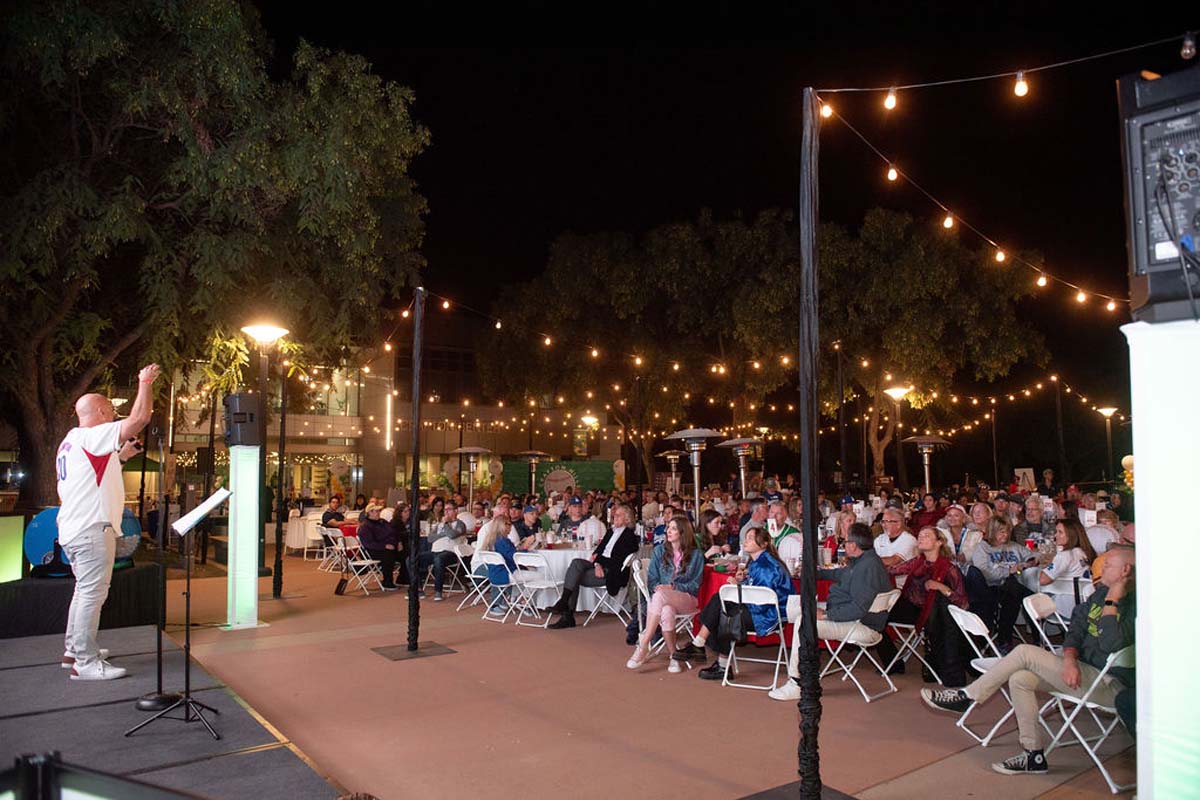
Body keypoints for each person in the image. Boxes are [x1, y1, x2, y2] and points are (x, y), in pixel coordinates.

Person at [922, 546, 1136, 776]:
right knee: (1020, 678)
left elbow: (1111, 643)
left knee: (1023, 652)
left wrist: (1113, 602)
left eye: (1108, 565)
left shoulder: (1135, 604)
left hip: (1110, 683)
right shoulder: (1100, 594)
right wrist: (1070, 659)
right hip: (1082, 671)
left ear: (1125, 570)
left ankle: (967, 696)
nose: (1101, 567)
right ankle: (1033, 755)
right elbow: (1075, 629)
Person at [57, 363, 161, 680]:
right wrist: (145, 382)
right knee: (92, 594)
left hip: (75, 529)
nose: (114, 416)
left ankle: (74, 650)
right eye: (111, 410)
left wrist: (123, 455)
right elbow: (140, 418)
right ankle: (85, 663)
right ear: (102, 411)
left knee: (83, 592)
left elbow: (97, 472)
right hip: (90, 530)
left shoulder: (72, 440)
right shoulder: (93, 435)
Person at [769, 522, 891, 701]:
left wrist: (826, 615)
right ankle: (807, 665)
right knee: (797, 609)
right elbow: (840, 574)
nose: (843, 544)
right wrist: (816, 573)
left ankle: (796, 682)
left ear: (853, 546)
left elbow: (858, 608)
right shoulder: (863, 560)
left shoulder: (868, 568)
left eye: (846, 541)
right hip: (849, 615)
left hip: (861, 625)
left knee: (804, 624)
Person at [692, 526, 794, 681]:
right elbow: (758, 589)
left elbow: (761, 599)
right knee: (721, 605)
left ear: (764, 543)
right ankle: (705, 648)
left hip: (768, 615)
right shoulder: (758, 562)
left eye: (751, 538)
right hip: (761, 609)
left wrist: (737, 587)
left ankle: (711, 654)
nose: (746, 541)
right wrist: (743, 581)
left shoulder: (765, 566)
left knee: (724, 612)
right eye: (746, 537)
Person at [876, 526, 970, 685]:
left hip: (935, 614)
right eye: (919, 535)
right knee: (875, 618)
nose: (920, 538)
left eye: (926, 536)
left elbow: (963, 602)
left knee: (937, 607)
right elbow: (892, 570)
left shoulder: (949, 568)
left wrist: (942, 587)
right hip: (911, 607)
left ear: (939, 542)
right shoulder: (917, 562)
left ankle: (937, 658)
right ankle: (894, 662)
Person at [626, 515, 706, 673]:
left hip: (688, 599)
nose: (668, 531)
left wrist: (672, 586)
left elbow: (695, 585)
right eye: (668, 527)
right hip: (663, 600)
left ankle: (643, 644)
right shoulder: (659, 551)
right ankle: (674, 657)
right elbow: (652, 581)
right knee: (666, 610)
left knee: (660, 597)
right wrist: (661, 588)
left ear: (683, 533)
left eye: (673, 528)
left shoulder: (696, 555)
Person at [547, 505, 641, 629]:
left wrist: (600, 563)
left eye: (618, 515)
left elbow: (616, 560)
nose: (614, 517)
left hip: (612, 573)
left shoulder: (630, 537)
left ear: (627, 518)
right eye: (615, 515)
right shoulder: (610, 531)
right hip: (600, 566)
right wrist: (597, 564)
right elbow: (598, 551)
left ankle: (567, 613)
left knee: (573, 576)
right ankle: (564, 603)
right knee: (576, 563)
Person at [966, 515, 1034, 651]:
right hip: (988, 589)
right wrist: (1008, 571)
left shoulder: (1013, 546)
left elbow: (1033, 555)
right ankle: (1006, 638)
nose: (1005, 534)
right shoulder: (982, 548)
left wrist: (1029, 562)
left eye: (1007, 531)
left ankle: (1006, 638)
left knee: (1013, 593)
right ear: (992, 531)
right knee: (1015, 592)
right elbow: (984, 573)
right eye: (1001, 531)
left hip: (1007, 587)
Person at [418, 501, 469, 600]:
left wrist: (445, 524)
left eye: (449, 509)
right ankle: (419, 589)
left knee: (439, 559)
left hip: (451, 552)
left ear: (455, 511)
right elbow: (430, 538)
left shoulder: (460, 524)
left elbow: (452, 535)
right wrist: (443, 533)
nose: (446, 512)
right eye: (445, 510)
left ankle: (438, 591)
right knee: (412, 559)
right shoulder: (439, 524)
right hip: (435, 551)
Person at [1040, 518, 1096, 590]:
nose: (1055, 535)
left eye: (1060, 532)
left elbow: (1043, 580)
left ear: (1071, 535)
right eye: (1056, 531)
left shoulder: (1065, 555)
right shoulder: (1085, 552)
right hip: (1081, 596)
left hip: (1064, 597)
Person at [356, 503, 400, 591]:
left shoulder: (382, 522)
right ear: (370, 512)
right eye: (376, 511)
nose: (379, 513)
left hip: (390, 546)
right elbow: (368, 544)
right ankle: (387, 581)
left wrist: (398, 542)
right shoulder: (365, 526)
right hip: (373, 550)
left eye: (379, 511)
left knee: (405, 551)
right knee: (388, 555)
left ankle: (404, 577)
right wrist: (384, 546)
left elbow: (394, 532)